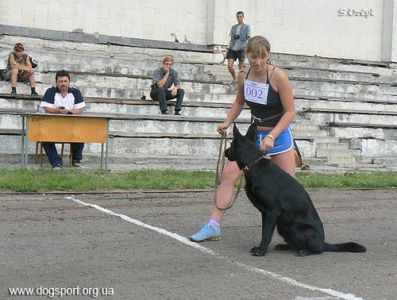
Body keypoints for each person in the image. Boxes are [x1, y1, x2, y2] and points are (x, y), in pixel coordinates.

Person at [190, 36, 296, 242]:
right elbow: (239, 102)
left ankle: (293, 231)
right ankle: (213, 225)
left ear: (269, 55)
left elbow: (291, 112)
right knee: (229, 174)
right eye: (253, 57)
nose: (257, 62)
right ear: (247, 55)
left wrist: (273, 136)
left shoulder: (279, 77)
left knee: (288, 187)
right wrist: (227, 122)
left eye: (262, 57)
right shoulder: (243, 75)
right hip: (254, 135)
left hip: (279, 135)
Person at [40, 70, 86, 169]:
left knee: (80, 133)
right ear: (56, 82)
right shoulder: (50, 91)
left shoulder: (75, 92)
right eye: (60, 81)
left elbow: (80, 109)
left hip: (71, 125)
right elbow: (46, 108)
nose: (63, 84)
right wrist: (58, 111)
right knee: (43, 137)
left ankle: (76, 159)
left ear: (69, 81)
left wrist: (69, 111)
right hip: (52, 125)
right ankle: (56, 162)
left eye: (65, 81)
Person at [226, 11, 251, 81]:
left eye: (240, 17)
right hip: (232, 48)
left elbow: (248, 38)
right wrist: (228, 48)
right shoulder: (233, 27)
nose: (239, 18)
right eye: (238, 17)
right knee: (229, 66)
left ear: (243, 17)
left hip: (242, 48)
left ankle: (241, 80)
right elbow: (231, 39)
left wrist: (247, 48)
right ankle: (234, 77)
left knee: (241, 67)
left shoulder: (247, 27)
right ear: (236, 18)